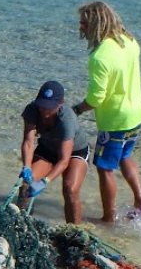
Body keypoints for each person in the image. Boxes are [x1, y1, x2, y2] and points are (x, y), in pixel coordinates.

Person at [73, 0, 141, 222]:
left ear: (96, 24)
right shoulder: (129, 41)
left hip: (115, 120)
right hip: (136, 114)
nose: (81, 28)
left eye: (84, 24)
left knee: (104, 167)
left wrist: (76, 110)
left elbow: (96, 98)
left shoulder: (99, 57)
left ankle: (108, 217)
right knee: (125, 156)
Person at [18, 80, 90, 224]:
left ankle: (74, 231)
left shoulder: (67, 119)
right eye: (42, 105)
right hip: (47, 149)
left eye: (49, 107)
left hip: (75, 152)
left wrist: (45, 181)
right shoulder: (32, 110)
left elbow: (64, 161)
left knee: (70, 189)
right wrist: (26, 166)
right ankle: (24, 224)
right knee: (26, 185)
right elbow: (28, 141)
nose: (44, 110)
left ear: (60, 103)